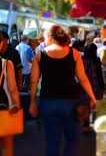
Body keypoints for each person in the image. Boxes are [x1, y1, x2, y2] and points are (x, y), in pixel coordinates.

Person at [29, 25, 96, 156]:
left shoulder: (40, 54)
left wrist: (32, 102)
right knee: (72, 140)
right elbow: (83, 79)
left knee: (52, 142)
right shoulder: (74, 53)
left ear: (49, 37)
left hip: (48, 102)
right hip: (71, 102)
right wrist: (92, 98)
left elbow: (33, 81)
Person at [0, 32, 21, 156]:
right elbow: (12, 89)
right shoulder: (6, 64)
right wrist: (16, 105)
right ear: (2, 43)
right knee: (7, 148)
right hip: (3, 109)